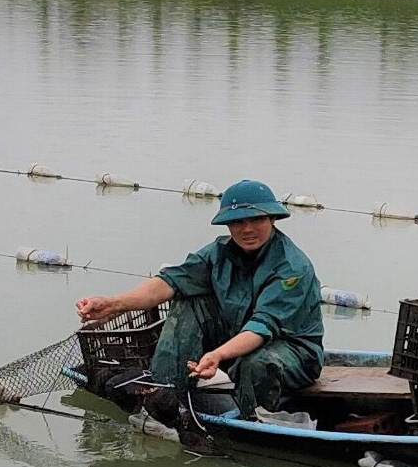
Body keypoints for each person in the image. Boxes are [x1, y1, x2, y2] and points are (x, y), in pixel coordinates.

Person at [76, 179, 324, 419]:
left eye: (257, 219)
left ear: (272, 218)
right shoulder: (219, 253)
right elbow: (169, 282)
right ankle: (166, 393)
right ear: (228, 225)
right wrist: (113, 304)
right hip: (235, 340)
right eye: (238, 221)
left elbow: (262, 327)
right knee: (188, 298)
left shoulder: (291, 267)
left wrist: (218, 354)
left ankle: (252, 422)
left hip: (293, 351)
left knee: (255, 363)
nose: (247, 229)